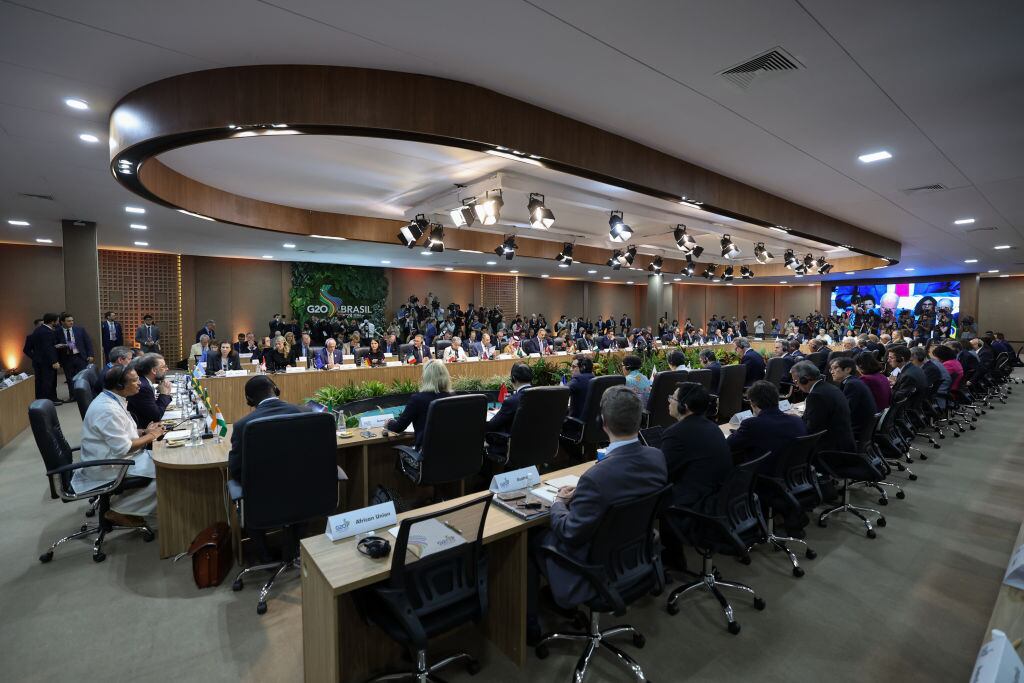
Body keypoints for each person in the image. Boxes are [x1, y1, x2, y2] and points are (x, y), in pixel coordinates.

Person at [527, 386, 667, 639]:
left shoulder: (597, 477)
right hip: (632, 557)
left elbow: (570, 532)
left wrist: (559, 502)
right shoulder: (657, 457)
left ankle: (532, 625)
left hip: (595, 566)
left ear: (602, 423)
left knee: (532, 538)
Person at [227, 375, 305, 562]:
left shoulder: (242, 426)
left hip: (262, 502)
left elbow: (235, 470)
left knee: (240, 491)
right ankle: (294, 549)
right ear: (276, 390)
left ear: (249, 401)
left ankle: (265, 556)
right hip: (304, 494)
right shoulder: (305, 412)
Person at [74, 365, 164, 526]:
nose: (140, 384)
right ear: (120, 386)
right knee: (168, 475)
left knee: (161, 466)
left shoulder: (111, 399)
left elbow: (121, 431)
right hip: (108, 464)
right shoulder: (108, 410)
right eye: (135, 380)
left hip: (113, 456)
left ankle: (130, 507)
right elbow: (124, 447)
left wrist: (143, 432)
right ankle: (119, 510)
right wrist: (152, 436)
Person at [727, 380, 807, 464]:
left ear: (753, 403)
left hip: (763, 473)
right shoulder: (797, 420)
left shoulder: (752, 424)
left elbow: (729, 444)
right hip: (793, 471)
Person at [791, 360, 855, 453]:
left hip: (831, 450)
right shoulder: (830, 387)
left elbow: (811, 430)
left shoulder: (816, 395)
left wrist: (793, 422)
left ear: (805, 379)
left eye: (796, 381)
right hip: (844, 444)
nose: (796, 385)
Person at [386, 360, 451, 449]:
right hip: (452, 455)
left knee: (401, 455)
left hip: (426, 458)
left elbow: (398, 428)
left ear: (426, 377)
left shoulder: (417, 399)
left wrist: (389, 422)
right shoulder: (453, 398)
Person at [485, 363, 533, 457]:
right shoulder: (541, 396)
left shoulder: (512, 401)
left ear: (513, 378)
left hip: (512, 447)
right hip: (536, 443)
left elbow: (491, 426)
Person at [830, 357, 878, 442]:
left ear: (848, 369)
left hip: (858, 429)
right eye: (831, 368)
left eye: (835, 368)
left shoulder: (852, 384)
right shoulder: (852, 381)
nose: (831, 372)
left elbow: (846, 411)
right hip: (864, 427)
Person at [126, 352, 172, 428]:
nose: (167, 369)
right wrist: (164, 394)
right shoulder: (143, 387)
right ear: (154, 370)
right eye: (163, 367)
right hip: (141, 430)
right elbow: (156, 416)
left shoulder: (145, 382)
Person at [54, 313, 94, 395]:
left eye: (72, 320)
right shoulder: (57, 332)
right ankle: (73, 396)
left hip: (80, 357)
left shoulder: (80, 329)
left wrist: (90, 354)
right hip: (66, 358)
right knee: (70, 378)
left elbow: (88, 342)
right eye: (69, 321)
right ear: (62, 322)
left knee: (82, 377)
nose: (71, 322)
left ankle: (85, 395)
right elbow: (54, 345)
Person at [24, 314, 61, 401]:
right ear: (52, 322)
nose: (58, 322)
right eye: (57, 321)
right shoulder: (46, 332)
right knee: (47, 382)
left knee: (45, 382)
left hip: (41, 362)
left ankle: (52, 399)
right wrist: (54, 361)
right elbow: (47, 348)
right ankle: (46, 401)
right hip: (46, 363)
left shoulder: (39, 330)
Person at [566, 355, 594, 419]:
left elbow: (559, 393)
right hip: (592, 424)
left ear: (583, 367)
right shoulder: (594, 378)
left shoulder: (578, 380)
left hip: (575, 424)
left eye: (573, 367)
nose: (570, 369)